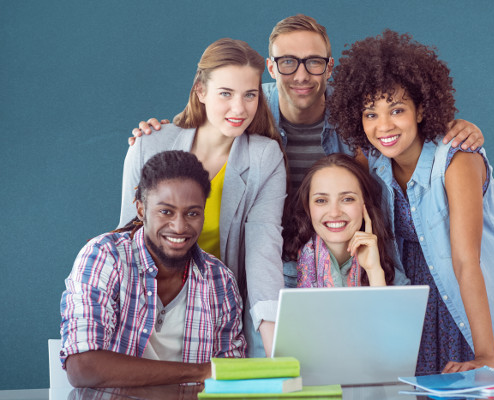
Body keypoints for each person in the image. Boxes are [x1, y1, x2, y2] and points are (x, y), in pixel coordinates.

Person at [130, 14, 485, 289]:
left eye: (314, 62)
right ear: (271, 67)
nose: (301, 74)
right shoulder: (249, 106)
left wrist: (449, 128)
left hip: (344, 259)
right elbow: (212, 113)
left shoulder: (352, 118)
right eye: (287, 62)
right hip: (261, 263)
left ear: (329, 67)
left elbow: (396, 125)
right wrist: (160, 133)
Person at [327, 30, 494, 375]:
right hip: (415, 291)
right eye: (370, 114)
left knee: (474, 383)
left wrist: (485, 354)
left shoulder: (458, 160)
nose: (384, 126)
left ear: (422, 108)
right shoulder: (372, 159)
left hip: (471, 288)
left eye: (396, 110)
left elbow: (466, 260)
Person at [119, 38, 287, 358]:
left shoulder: (265, 158)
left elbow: (263, 253)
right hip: (151, 306)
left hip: (217, 313)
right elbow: (128, 237)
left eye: (250, 95)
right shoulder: (148, 145)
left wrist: (278, 354)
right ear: (201, 91)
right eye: (226, 93)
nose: (239, 108)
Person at [60, 151, 246, 387]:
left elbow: (232, 378)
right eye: (166, 211)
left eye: (192, 213)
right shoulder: (105, 257)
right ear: (141, 209)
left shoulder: (220, 280)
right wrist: (199, 372)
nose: (179, 227)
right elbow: (83, 368)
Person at [283, 154, 395, 287]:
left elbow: (388, 308)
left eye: (347, 199)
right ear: (308, 207)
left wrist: (374, 271)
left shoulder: (390, 273)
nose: (335, 213)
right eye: (321, 200)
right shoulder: (281, 274)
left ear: (365, 204)